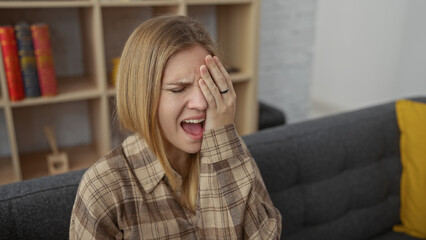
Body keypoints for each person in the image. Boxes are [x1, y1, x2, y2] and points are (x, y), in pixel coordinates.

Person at [69, 15, 281, 239]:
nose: (201, 103)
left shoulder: (231, 152)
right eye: (178, 89)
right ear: (142, 97)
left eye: (209, 85)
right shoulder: (103, 188)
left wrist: (222, 144)